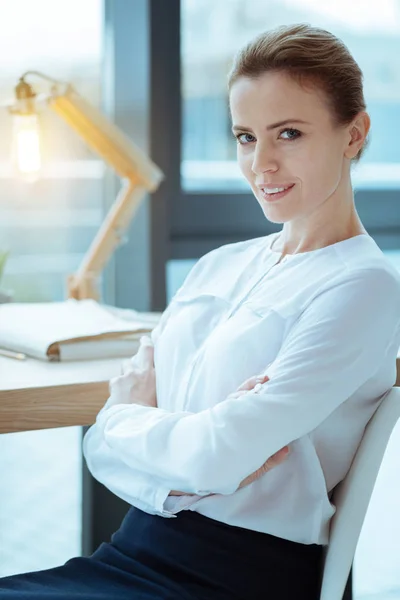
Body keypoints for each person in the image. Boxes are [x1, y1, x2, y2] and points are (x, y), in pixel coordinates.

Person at [2, 22, 400, 600]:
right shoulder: (218, 265)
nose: (261, 163)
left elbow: (207, 453)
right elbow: (103, 451)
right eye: (244, 137)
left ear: (354, 133)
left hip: (229, 577)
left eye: (288, 133)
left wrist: (125, 420)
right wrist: (180, 446)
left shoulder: (362, 288)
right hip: (127, 552)